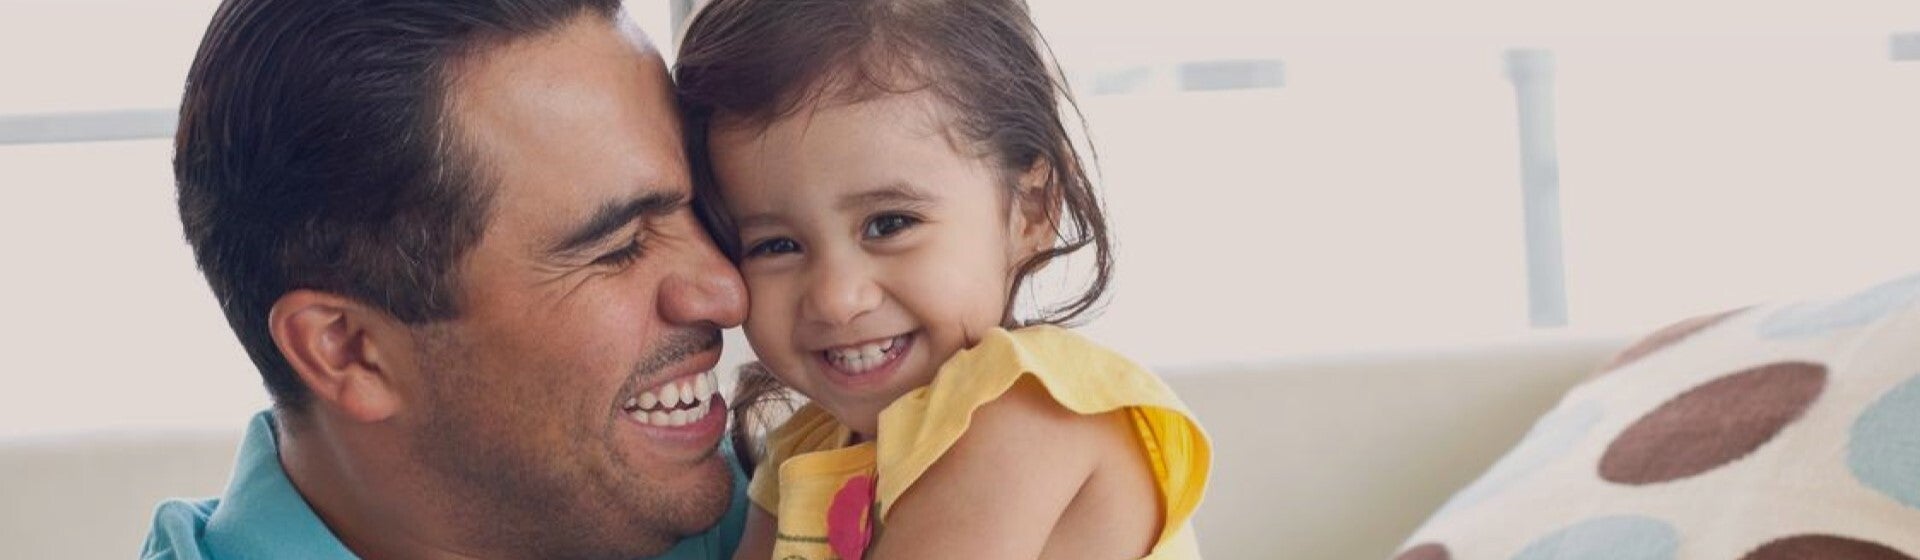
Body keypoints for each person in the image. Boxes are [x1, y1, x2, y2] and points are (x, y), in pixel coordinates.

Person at [143, 0, 751, 558]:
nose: (728, 292)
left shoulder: (786, 503)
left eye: (706, 206)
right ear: (349, 350)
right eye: (620, 249)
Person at [674, 0, 1213, 558]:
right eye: (776, 245)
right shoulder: (803, 448)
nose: (837, 299)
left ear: (1030, 210)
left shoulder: (1030, 410)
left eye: (889, 224)